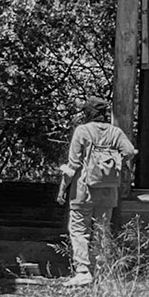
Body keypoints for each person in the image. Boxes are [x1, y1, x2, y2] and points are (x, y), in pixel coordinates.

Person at [57, 97, 136, 286]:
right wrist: (115, 163)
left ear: (88, 113)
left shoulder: (82, 131)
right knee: (102, 229)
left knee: (79, 230)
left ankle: (83, 271)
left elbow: (73, 165)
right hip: (108, 192)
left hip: (83, 191)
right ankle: (100, 271)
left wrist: (62, 188)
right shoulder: (115, 132)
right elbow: (130, 151)